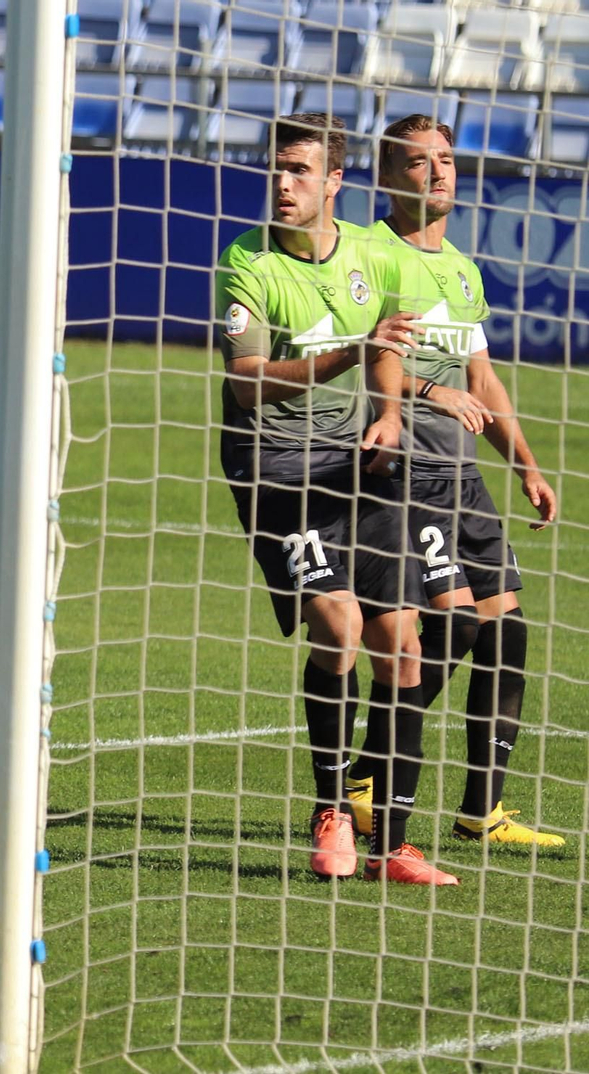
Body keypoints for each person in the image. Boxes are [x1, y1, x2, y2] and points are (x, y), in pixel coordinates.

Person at [215, 112, 457, 885]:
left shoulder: (368, 255)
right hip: (275, 465)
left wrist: (388, 413)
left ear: (335, 182)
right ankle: (330, 814)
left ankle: (395, 844)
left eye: (299, 170)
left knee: (404, 642)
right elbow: (245, 383)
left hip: (353, 456)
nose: (282, 183)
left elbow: (387, 347)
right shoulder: (247, 262)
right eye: (276, 169)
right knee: (340, 623)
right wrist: (346, 356)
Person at [343, 114, 563, 849]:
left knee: (506, 631)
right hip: (403, 474)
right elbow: (366, 356)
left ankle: (482, 812)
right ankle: (368, 776)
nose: (437, 171)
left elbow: (482, 378)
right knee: (456, 624)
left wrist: (526, 463)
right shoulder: (370, 256)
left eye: (445, 159)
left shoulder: (463, 270)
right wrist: (428, 394)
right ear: (386, 176)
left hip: (461, 474)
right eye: (417, 161)